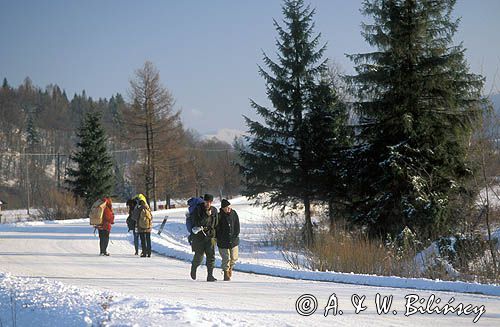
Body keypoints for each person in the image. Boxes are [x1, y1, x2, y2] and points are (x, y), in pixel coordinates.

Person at [190, 193, 218, 282]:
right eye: (206, 202)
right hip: (199, 236)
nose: (208, 204)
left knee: (211, 256)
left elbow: (215, 223)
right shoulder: (198, 210)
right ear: (204, 201)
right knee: (199, 256)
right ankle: (194, 267)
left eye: (210, 202)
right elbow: (196, 222)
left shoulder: (214, 210)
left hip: (210, 236)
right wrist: (207, 215)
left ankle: (210, 275)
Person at [216, 199, 240, 281]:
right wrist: (219, 237)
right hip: (223, 242)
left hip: (233, 240)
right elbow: (217, 229)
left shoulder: (233, 213)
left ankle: (230, 268)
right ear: (222, 208)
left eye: (229, 207)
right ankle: (226, 274)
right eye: (226, 207)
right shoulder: (219, 216)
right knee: (226, 258)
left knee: (234, 257)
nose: (228, 209)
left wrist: (236, 235)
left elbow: (237, 225)